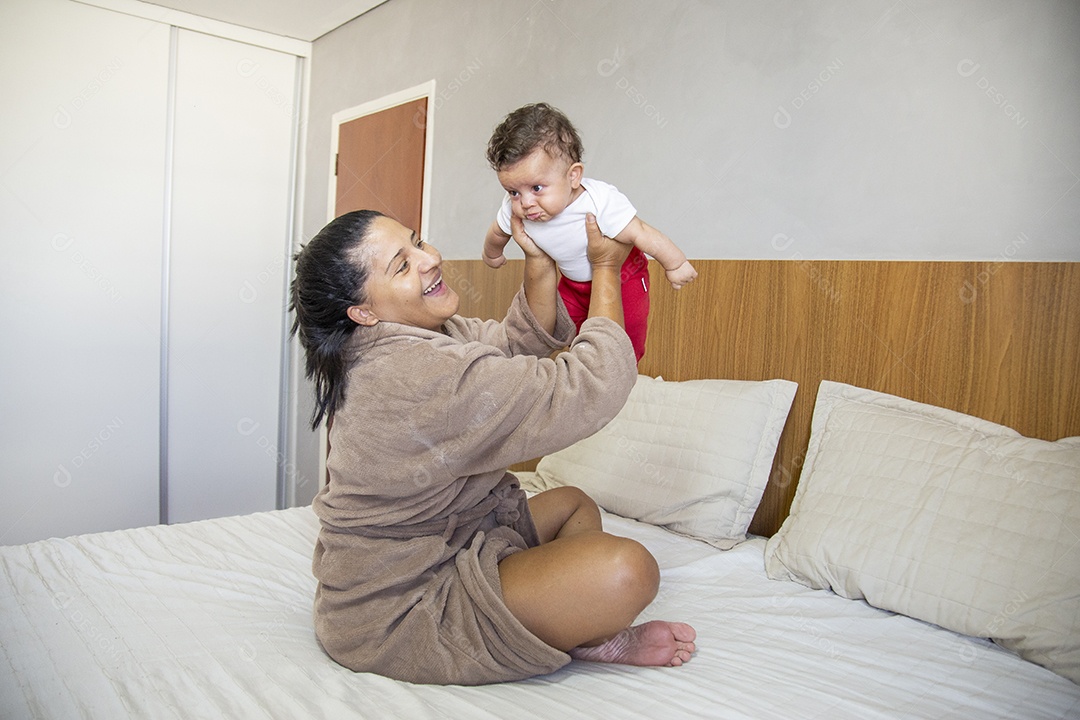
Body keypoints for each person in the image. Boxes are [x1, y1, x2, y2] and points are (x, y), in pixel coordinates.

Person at [290, 208, 696, 685]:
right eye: (401, 265)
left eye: (418, 241)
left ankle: (567, 615)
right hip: (401, 609)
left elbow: (510, 346)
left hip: (458, 541)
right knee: (629, 570)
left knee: (572, 504)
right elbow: (590, 387)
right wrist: (606, 268)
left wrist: (540, 262)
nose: (428, 259)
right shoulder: (412, 375)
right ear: (363, 312)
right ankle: (578, 622)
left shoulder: (416, 334)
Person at [482, 102, 697, 361]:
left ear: (574, 177)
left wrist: (675, 263)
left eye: (537, 188)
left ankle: (625, 363)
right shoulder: (514, 208)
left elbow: (641, 232)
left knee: (623, 342)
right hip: (572, 284)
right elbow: (497, 232)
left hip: (624, 276)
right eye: (514, 191)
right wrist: (492, 253)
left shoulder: (599, 200)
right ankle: (579, 371)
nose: (526, 202)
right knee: (558, 335)